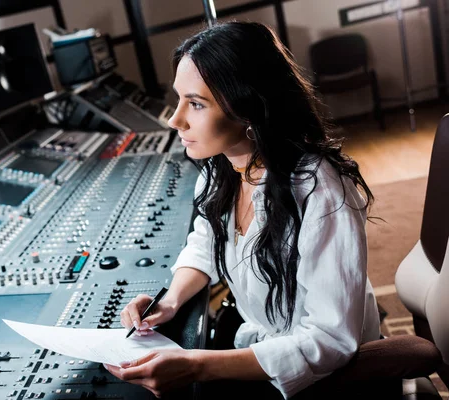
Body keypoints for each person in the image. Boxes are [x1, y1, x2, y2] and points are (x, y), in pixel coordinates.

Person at [103, 21, 381, 399]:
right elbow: (204, 244)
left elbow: (328, 341)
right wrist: (169, 301)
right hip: (258, 348)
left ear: (248, 107)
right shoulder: (221, 171)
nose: (175, 119)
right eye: (179, 98)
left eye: (196, 104)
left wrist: (199, 365)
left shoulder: (321, 189)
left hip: (317, 377)